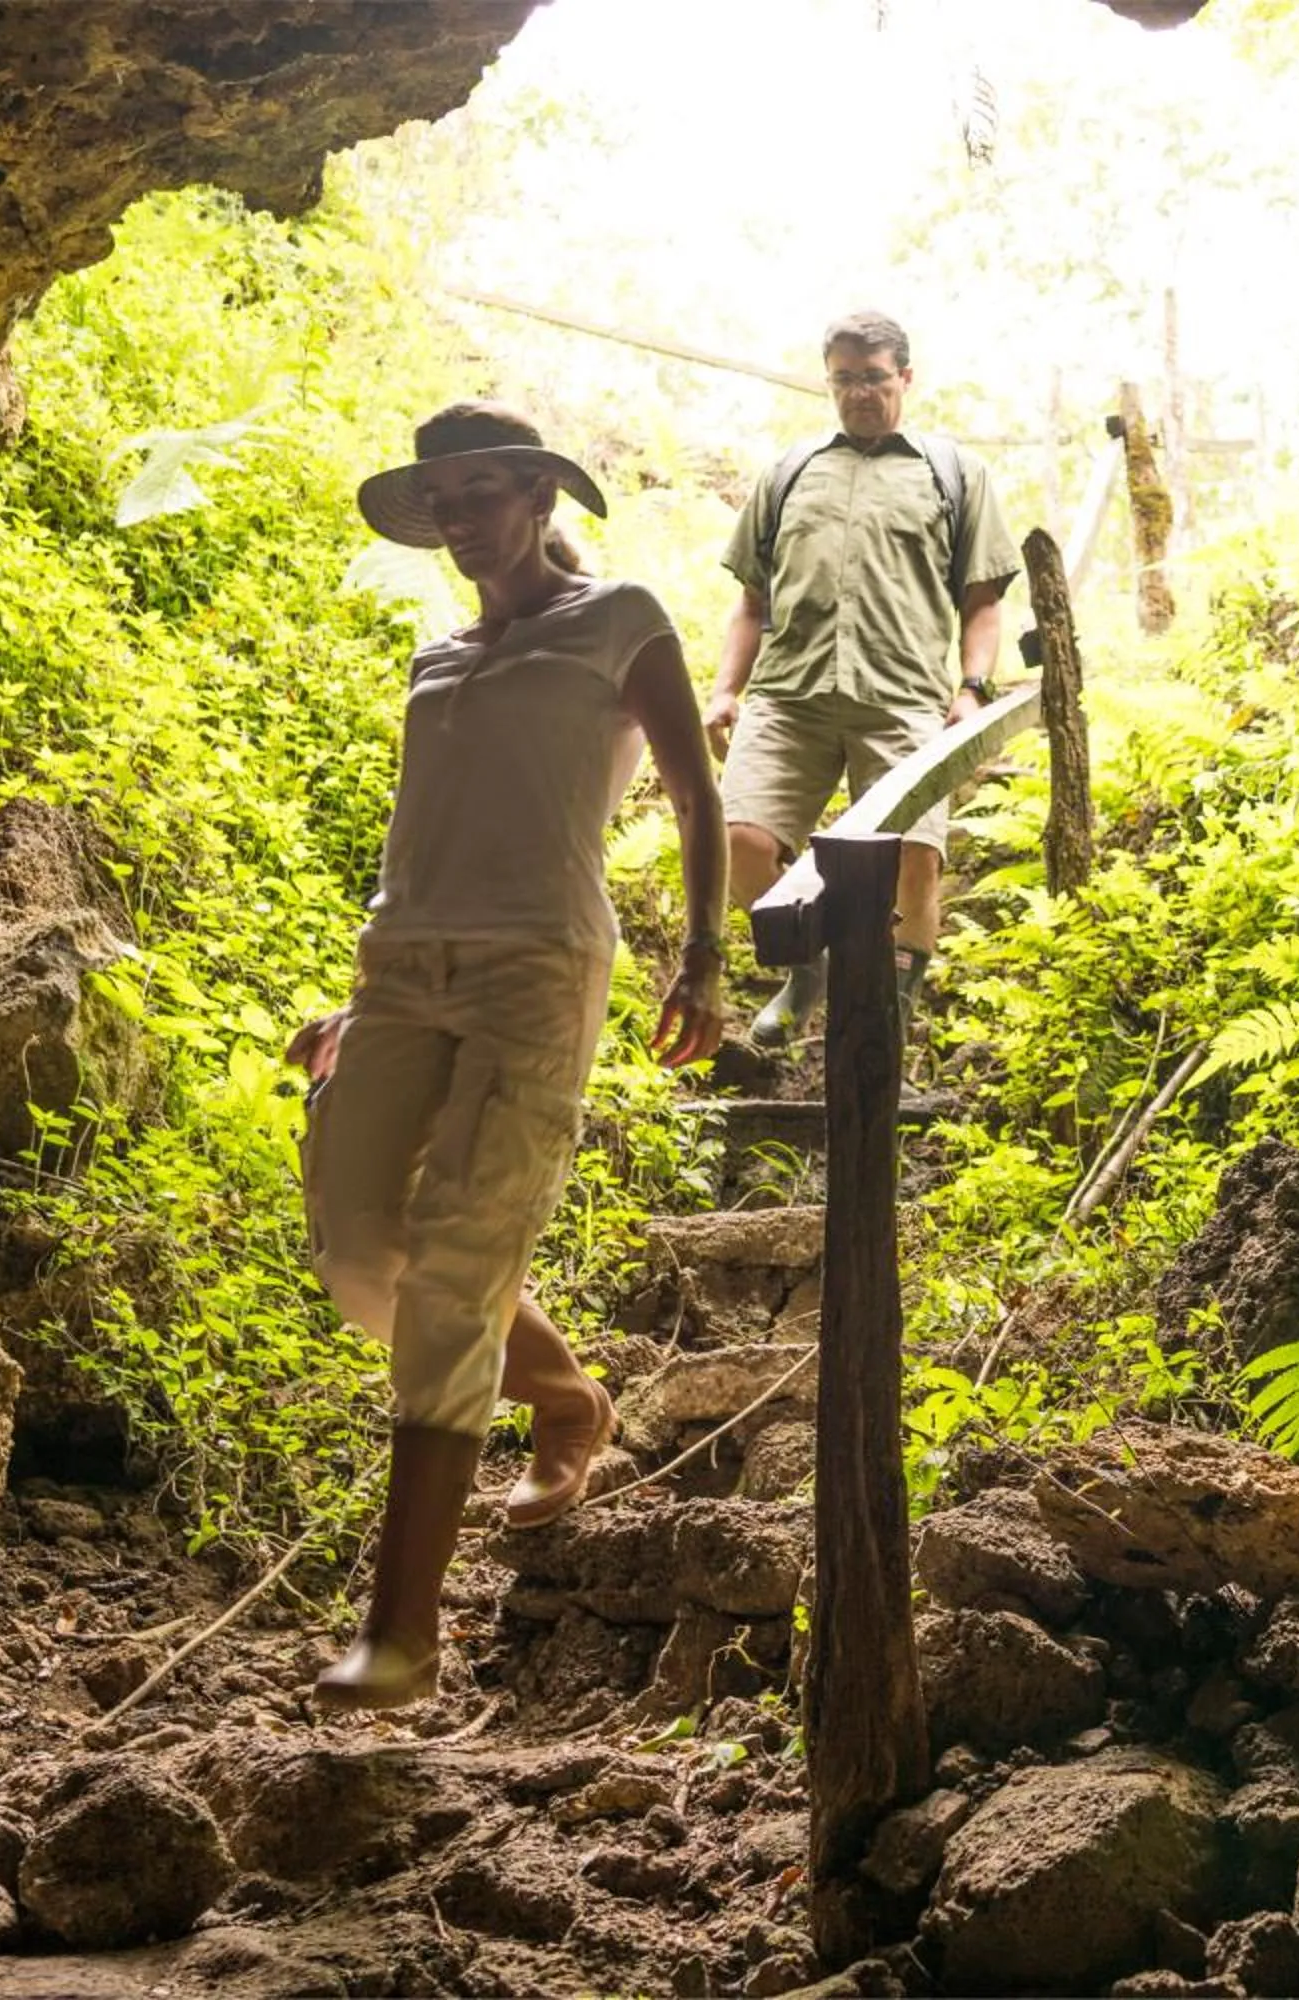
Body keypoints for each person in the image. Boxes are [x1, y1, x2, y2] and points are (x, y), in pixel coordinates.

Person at [285, 401, 728, 1711]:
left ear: (541, 497)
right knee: (356, 1241)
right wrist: (366, 999)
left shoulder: (621, 618)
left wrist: (700, 960)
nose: (467, 517)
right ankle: (569, 1400)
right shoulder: (437, 659)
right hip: (402, 970)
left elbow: (699, 795)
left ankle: (401, 1640)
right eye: (448, 500)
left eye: (487, 491)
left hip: (539, 969)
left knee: (459, 1264)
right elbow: (423, 833)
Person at [702, 310, 1022, 1049]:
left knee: (913, 859)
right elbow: (752, 600)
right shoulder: (788, 472)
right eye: (844, 379)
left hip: (902, 699)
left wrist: (972, 687)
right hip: (789, 698)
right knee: (738, 840)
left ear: (904, 378)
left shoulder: (953, 473)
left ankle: (892, 1009)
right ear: (829, 382)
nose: (860, 393)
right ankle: (805, 970)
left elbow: (982, 602)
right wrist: (724, 689)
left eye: (875, 377)